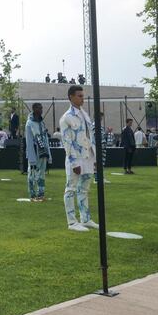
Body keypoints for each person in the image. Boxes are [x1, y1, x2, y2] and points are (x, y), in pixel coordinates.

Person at [60, 86, 98, 232]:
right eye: (79, 96)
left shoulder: (85, 115)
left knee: (84, 189)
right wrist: (74, 161)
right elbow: (67, 141)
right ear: (71, 97)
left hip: (88, 156)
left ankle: (85, 218)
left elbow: (90, 136)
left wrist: (94, 158)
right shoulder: (66, 117)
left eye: (83, 95)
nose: (82, 98)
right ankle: (72, 222)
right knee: (71, 189)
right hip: (75, 158)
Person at [25, 102, 51, 201]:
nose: (41, 110)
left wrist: (49, 154)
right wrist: (31, 157)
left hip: (43, 152)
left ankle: (41, 194)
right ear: (34, 109)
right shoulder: (29, 123)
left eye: (42, 108)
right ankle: (32, 195)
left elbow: (45, 139)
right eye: (39, 108)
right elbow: (29, 141)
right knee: (32, 173)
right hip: (34, 152)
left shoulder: (41, 122)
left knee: (42, 173)